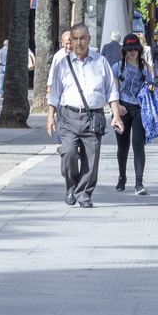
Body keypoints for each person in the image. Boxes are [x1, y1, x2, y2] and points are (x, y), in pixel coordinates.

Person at [46, 24, 124, 208]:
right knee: (68, 153)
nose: (79, 42)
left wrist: (116, 115)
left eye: (83, 38)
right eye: (75, 38)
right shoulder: (62, 64)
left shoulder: (101, 62)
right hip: (68, 116)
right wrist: (50, 117)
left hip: (93, 117)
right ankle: (71, 185)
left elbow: (111, 91)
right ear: (70, 41)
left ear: (89, 39)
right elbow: (55, 94)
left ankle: (84, 194)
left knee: (91, 158)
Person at [112, 33, 157, 195]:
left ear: (139, 50)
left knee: (138, 145)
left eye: (135, 49)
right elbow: (113, 91)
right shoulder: (117, 67)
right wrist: (116, 108)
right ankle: (122, 177)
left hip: (139, 109)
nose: (132, 52)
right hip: (122, 109)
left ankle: (139, 183)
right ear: (124, 50)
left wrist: (152, 86)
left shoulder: (145, 67)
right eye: (129, 49)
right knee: (122, 147)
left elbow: (152, 84)